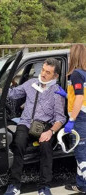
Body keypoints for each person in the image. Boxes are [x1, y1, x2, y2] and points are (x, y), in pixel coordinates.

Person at [4, 58, 66, 195]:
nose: (43, 74)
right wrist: (1, 85)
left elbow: (61, 118)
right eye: (43, 70)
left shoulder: (57, 92)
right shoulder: (30, 84)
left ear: (55, 76)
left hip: (45, 125)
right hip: (26, 122)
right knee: (18, 144)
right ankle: (14, 185)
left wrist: (50, 131)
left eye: (48, 72)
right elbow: (13, 94)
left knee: (46, 147)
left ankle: (44, 187)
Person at [55, 44, 86, 193]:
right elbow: (80, 98)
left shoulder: (77, 74)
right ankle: (81, 185)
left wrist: (72, 120)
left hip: (80, 120)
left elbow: (80, 98)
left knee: (81, 155)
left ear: (74, 56)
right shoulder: (84, 74)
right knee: (82, 153)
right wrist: (66, 95)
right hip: (83, 116)